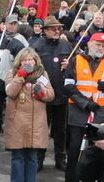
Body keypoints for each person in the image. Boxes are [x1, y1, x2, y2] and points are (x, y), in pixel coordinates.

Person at [57, 33, 104, 182]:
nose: (100, 48)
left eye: (103, 46)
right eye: (97, 44)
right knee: (74, 150)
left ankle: (89, 180)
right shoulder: (76, 60)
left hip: (102, 115)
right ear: (90, 44)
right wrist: (85, 103)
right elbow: (68, 87)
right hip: (79, 113)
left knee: (96, 151)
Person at [3, 47, 55, 182]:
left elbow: (51, 95)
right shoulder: (12, 73)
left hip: (35, 122)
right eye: (25, 60)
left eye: (30, 60)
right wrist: (20, 76)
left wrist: (42, 93)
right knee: (18, 156)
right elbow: (10, 92)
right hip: (17, 121)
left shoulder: (42, 74)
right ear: (20, 61)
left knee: (32, 157)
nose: (28, 62)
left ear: (35, 61)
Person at [30, 16, 73, 170]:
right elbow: (32, 69)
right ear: (45, 31)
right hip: (44, 96)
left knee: (61, 130)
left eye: (58, 28)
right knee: (42, 129)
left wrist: (70, 64)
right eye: (53, 28)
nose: (57, 31)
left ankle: (60, 158)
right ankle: (39, 158)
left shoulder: (67, 45)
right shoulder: (37, 46)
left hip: (62, 94)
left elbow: (76, 65)